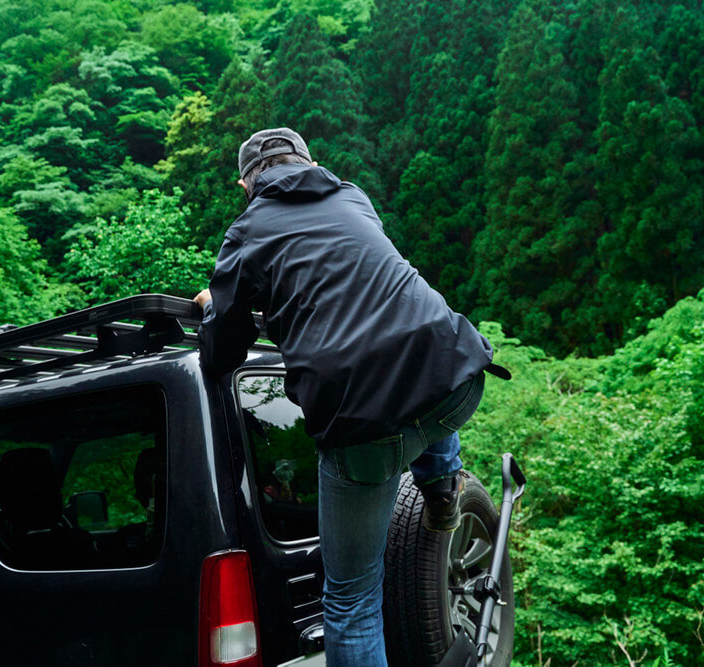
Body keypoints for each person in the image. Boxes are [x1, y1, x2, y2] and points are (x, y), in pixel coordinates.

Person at [193, 128, 508, 666]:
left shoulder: (246, 232)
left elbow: (221, 353)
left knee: (351, 601)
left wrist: (216, 307)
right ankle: (441, 487)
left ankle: (439, 486)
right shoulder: (351, 196)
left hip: (365, 428)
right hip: (457, 375)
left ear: (246, 182)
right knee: (413, 366)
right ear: (309, 161)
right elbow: (353, 293)